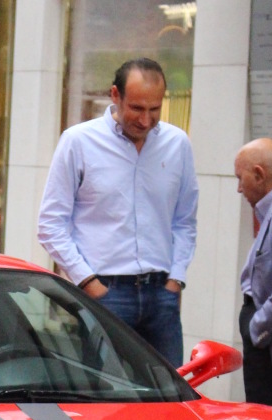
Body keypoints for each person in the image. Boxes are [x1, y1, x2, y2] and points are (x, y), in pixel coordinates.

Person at [37, 57, 197, 367]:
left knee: (168, 403)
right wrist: (89, 284)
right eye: (136, 109)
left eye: (154, 109)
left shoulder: (177, 145)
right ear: (115, 95)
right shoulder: (79, 142)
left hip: (161, 294)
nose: (146, 120)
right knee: (102, 401)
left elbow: (185, 221)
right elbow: (50, 224)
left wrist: (175, 280)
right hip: (104, 293)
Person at [233, 138, 272, 407]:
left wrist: (258, 328)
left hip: (266, 336)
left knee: (265, 416)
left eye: (240, 178)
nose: (238, 188)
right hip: (261, 330)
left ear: (259, 174)